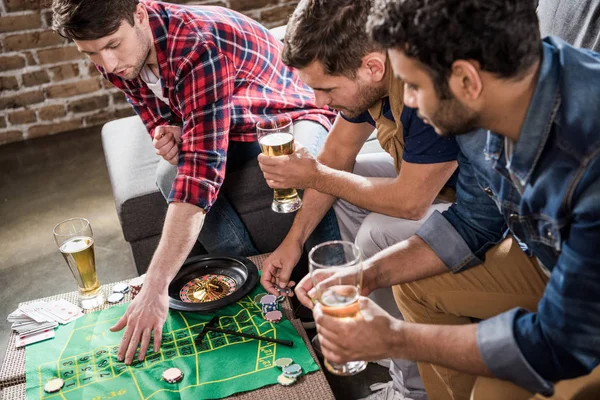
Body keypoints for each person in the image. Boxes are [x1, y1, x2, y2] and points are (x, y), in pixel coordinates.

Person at [295, 0, 600, 399]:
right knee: (412, 285)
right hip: (547, 259)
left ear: (466, 81)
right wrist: (366, 275)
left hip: (579, 323)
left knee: (489, 395)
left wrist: (395, 339)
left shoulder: (586, 164)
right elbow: (475, 222)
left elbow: (563, 344)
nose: (410, 103)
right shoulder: (488, 113)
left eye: (415, 87)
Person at [51, 0, 339, 365]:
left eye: (112, 45)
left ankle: (338, 301)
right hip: (234, 114)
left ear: (139, 15)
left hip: (289, 108)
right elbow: (162, 117)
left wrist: (154, 288)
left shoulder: (196, 46)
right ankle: (252, 287)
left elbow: (200, 176)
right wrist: (167, 131)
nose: (108, 65)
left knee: (303, 165)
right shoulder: (120, 54)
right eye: (90, 53)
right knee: (167, 173)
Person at [258, 1, 460, 398]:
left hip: (487, 205)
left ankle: (412, 388)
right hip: (441, 185)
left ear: (373, 66)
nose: (319, 102)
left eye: (327, 88)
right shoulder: (371, 79)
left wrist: (315, 174)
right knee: (346, 186)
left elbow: (411, 203)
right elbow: (334, 159)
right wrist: (293, 241)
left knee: (377, 233)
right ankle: (378, 347)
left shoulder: (423, 81)